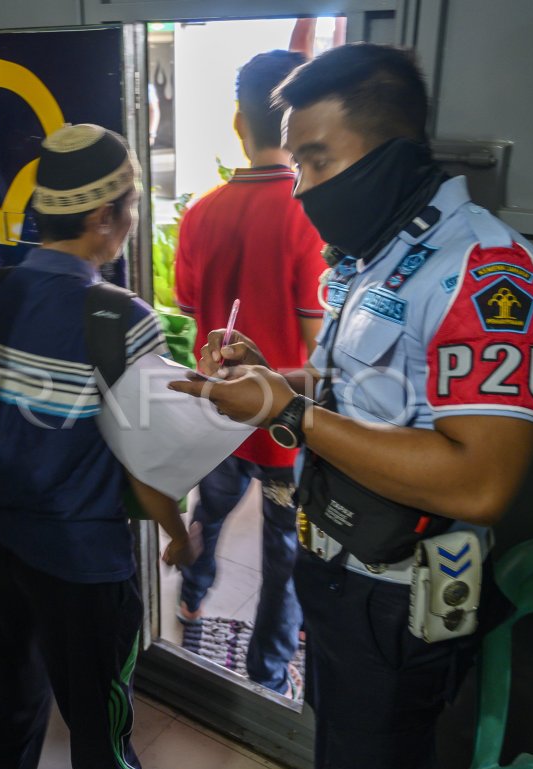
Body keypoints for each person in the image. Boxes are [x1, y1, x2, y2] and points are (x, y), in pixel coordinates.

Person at [170, 44, 533, 769]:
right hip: (333, 568)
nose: (301, 189)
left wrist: (289, 412)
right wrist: (274, 374)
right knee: (343, 767)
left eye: (317, 161)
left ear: (392, 150)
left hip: (398, 597)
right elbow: (359, 385)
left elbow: (480, 481)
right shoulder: (383, 256)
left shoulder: (487, 277)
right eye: (295, 163)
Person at [0, 124, 200, 769]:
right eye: (130, 207)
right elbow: (147, 465)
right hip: (80, 563)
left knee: (14, 694)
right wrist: (179, 534)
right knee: (101, 720)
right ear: (106, 217)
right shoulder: (120, 317)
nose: (131, 221)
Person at [172, 49, 325, 701]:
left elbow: (186, 303)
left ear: (239, 124)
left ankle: (190, 601)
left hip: (218, 417)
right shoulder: (310, 216)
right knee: (285, 556)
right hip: (284, 426)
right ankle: (266, 674)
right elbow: (320, 346)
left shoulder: (202, 211)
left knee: (209, 510)